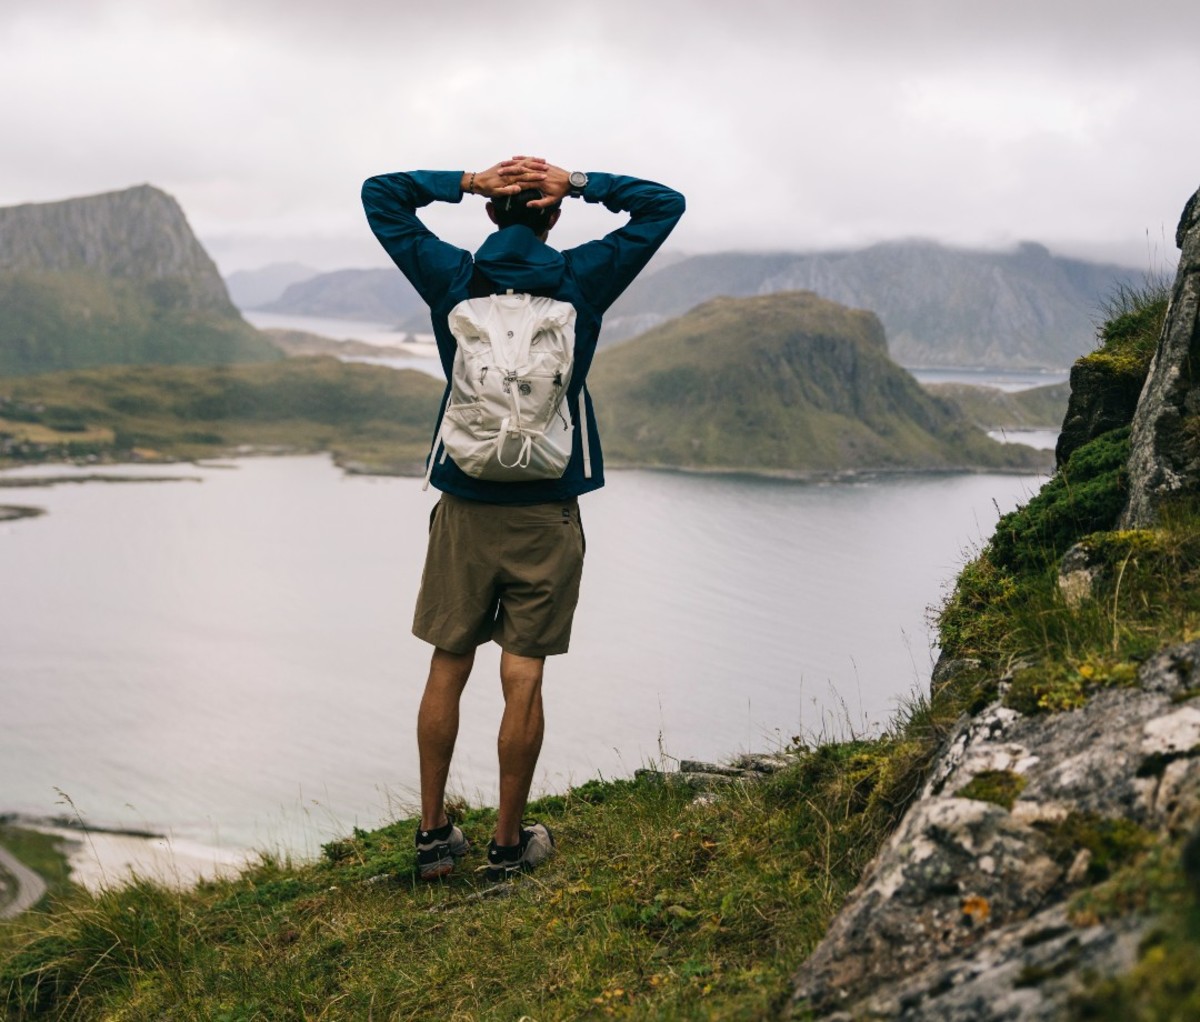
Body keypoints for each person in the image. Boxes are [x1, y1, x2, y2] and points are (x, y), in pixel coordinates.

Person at [362, 156, 685, 880]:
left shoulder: (454, 279)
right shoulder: (581, 280)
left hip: (465, 508)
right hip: (546, 510)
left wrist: (470, 180)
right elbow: (665, 205)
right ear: (551, 217)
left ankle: (433, 837)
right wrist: (579, 183)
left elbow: (380, 196)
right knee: (523, 675)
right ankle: (509, 847)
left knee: (448, 663)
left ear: (491, 215)